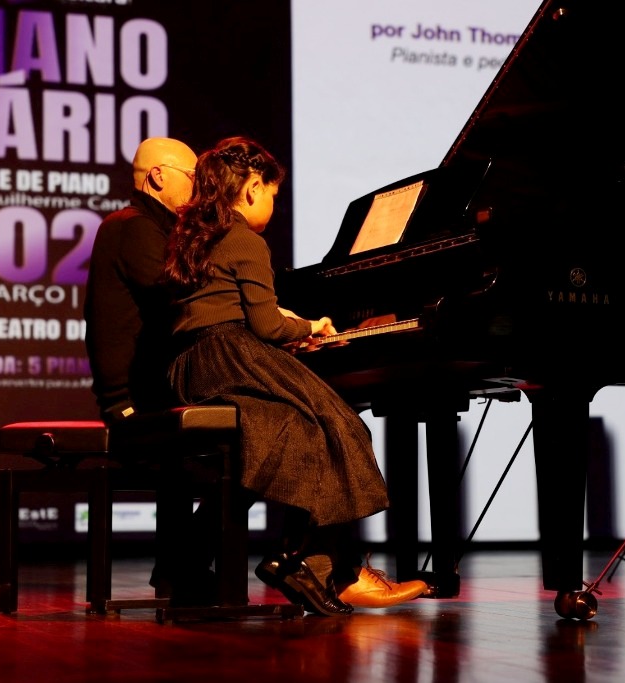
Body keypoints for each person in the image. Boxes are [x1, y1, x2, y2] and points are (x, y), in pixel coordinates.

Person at [162, 135, 428, 615]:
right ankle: (312, 562)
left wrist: (289, 330)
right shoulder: (245, 239)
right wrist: (311, 327)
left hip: (195, 367)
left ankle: (307, 564)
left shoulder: (196, 238)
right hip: (234, 355)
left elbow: (227, 309)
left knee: (300, 430)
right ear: (249, 189)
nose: (272, 204)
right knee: (343, 424)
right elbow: (264, 324)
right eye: (271, 193)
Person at [84, 136, 216, 604]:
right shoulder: (134, 226)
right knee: (256, 445)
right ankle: (184, 565)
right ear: (158, 177)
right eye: (193, 179)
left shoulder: (151, 228)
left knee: (255, 443)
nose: (201, 189)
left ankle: (180, 565)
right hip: (135, 403)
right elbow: (181, 300)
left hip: (153, 391)